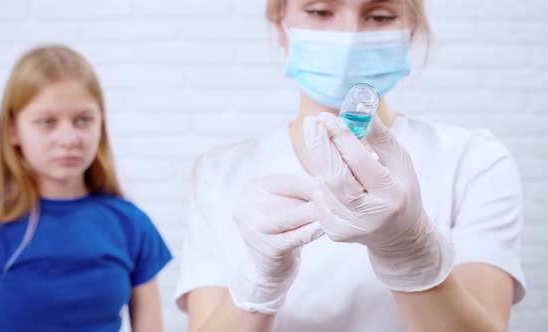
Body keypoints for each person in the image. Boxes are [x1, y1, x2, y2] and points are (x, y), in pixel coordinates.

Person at [174, 0, 526, 331]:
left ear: (412, 30)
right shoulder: (219, 174)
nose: (349, 36)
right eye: (320, 11)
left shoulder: (473, 160)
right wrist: (257, 286)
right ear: (281, 26)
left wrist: (412, 256)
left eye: (380, 16)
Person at [0, 45, 172, 332]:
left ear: (101, 124)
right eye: (47, 122)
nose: (68, 138)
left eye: (83, 119)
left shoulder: (131, 225)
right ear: (12, 130)